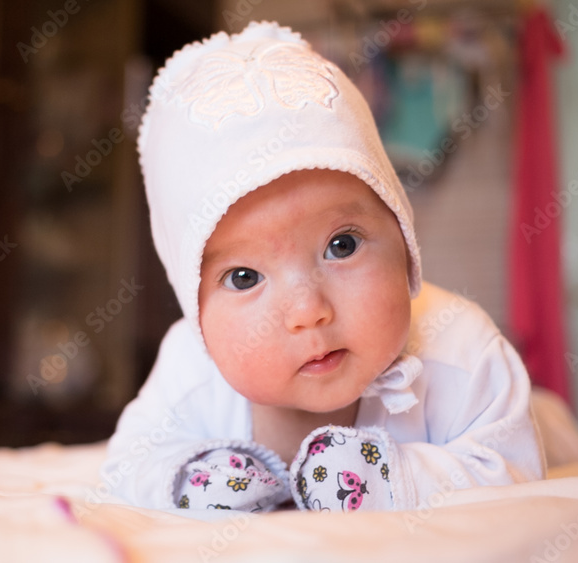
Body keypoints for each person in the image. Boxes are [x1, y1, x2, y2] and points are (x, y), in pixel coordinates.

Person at [101, 21, 545, 513]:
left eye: (342, 245)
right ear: (195, 306)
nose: (307, 311)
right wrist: (190, 477)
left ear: (403, 236)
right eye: (244, 277)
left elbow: (512, 464)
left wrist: (389, 478)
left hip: (534, 414)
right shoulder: (190, 367)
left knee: (551, 425)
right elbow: (128, 463)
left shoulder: (460, 350)